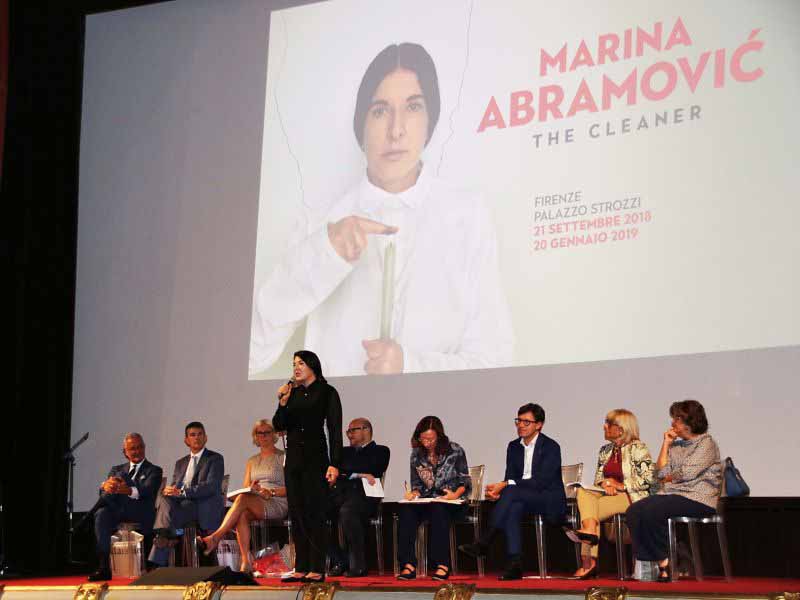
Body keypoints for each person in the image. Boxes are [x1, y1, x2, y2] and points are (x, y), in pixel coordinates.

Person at [249, 42, 513, 377]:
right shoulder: (319, 222)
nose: (396, 130)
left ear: (430, 120)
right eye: (380, 110)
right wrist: (323, 254)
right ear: (361, 125)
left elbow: (494, 359)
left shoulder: (468, 215)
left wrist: (409, 365)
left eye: (413, 107)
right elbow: (253, 354)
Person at [459, 403, 566, 580]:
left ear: (539, 425)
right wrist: (498, 493)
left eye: (526, 422)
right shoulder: (513, 446)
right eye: (518, 421)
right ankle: (515, 564)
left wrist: (505, 485)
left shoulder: (551, 447)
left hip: (548, 498)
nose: (521, 425)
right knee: (513, 505)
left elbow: (541, 482)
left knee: (510, 493)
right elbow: (510, 477)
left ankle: (485, 541)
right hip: (521, 497)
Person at [625, 400, 722, 582]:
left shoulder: (706, 443)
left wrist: (669, 477)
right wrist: (666, 443)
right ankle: (658, 563)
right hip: (673, 495)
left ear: (688, 422)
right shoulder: (676, 446)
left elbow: (688, 473)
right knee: (634, 511)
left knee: (654, 511)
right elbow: (660, 473)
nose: (672, 423)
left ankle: (665, 563)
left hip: (698, 498)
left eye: (676, 419)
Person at [273, 350, 342, 583]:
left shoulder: (327, 392)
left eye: (301, 363)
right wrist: (282, 402)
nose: (296, 368)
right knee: (297, 512)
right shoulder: (291, 394)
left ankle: (317, 567)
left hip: (316, 458)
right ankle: (300, 566)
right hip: (293, 459)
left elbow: (334, 430)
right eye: (294, 364)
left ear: (313, 365)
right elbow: (278, 425)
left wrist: (335, 464)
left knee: (315, 512)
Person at [563, 409, 655, 578]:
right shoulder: (605, 450)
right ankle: (590, 531)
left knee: (590, 513)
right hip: (608, 494)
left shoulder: (638, 448)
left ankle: (588, 562)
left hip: (632, 496)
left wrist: (620, 485)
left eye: (608, 423)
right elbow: (599, 477)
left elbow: (649, 479)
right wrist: (604, 483)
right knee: (583, 492)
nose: (604, 426)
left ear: (621, 429)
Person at [199, 419, 287, 573]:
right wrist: (253, 489)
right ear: (255, 437)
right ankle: (246, 561)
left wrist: (271, 492)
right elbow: (247, 487)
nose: (263, 436)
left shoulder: (283, 456)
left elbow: (292, 488)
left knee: (242, 500)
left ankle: (215, 537)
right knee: (242, 514)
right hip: (256, 500)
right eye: (260, 433)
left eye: (267, 432)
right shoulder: (252, 461)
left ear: (274, 435)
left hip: (277, 500)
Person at [396, 416, 470, 582]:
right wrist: (413, 494)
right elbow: (417, 485)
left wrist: (454, 495)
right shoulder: (416, 454)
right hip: (427, 501)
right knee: (406, 511)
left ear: (439, 436)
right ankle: (408, 564)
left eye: (431, 439)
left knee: (439, 510)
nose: (427, 443)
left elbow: (465, 481)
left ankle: (442, 564)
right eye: (423, 439)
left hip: (452, 501)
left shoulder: (455, 450)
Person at [88, 433, 163, 581]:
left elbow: (147, 491)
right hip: (117, 510)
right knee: (102, 514)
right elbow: (104, 492)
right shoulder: (116, 469)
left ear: (144, 448)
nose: (137, 451)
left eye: (140, 447)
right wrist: (105, 486)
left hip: (140, 511)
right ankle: (104, 568)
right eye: (132, 448)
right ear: (125, 452)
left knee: (117, 482)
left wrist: (127, 489)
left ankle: (88, 516)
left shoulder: (154, 470)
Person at [149, 421, 225, 567]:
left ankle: (159, 556)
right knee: (164, 499)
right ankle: (169, 534)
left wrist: (182, 492)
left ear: (205, 438)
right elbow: (175, 485)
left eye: (200, 434)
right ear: (186, 440)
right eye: (192, 435)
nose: (197, 438)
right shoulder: (180, 463)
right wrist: (170, 490)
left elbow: (210, 487)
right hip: (181, 505)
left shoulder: (215, 459)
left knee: (169, 517)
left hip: (200, 504)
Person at [328, 417, 390, 577]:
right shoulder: (343, 452)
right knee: (316, 512)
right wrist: (359, 474)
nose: (349, 434)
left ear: (366, 430)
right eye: (348, 431)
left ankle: (358, 565)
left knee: (348, 511)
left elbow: (374, 469)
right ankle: (339, 560)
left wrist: (347, 473)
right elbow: (335, 470)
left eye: (352, 430)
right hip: (341, 494)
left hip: (366, 497)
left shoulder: (381, 451)